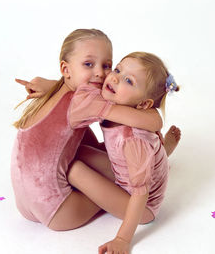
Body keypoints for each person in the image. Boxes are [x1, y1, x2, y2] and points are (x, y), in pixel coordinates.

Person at [11, 29, 164, 231]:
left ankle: (149, 160)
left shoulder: (59, 94)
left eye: (107, 65)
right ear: (66, 69)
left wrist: (50, 84)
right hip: (60, 210)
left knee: (79, 144)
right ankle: (154, 159)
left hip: (24, 204)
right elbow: (153, 122)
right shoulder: (88, 99)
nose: (101, 73)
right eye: (89, 65)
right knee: (100, 170)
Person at [65, 52, 180, 254]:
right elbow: (73, 88)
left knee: (73, 170)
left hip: (143, 206)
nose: (115, 77)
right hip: (124, 171)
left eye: (128, 80)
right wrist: (48, 86)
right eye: (118, 69)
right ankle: (162, 153)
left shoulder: (133, 140)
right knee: (78, 151)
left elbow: (141, 193)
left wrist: (122, 239)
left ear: (143, 105)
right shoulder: (119, 104)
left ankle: (159, 157)